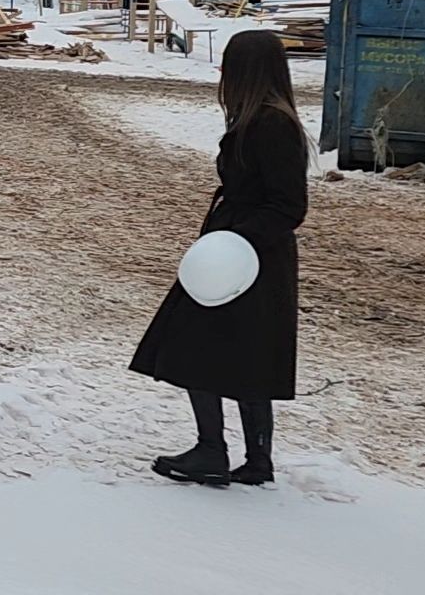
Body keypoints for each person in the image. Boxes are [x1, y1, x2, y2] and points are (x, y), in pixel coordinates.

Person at [131, 29, 307, 487]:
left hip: (246, 258)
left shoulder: (272, 125)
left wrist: (234, 242)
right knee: (247, 353)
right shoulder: (261, 119)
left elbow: (289, 206)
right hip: (243, 253)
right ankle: (255, 460)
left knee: (192, 345)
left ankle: (213, 450)